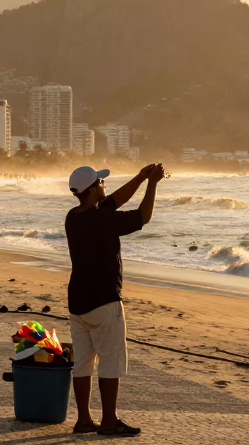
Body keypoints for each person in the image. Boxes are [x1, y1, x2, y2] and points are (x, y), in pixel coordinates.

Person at [64, 163, 165, 437]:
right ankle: (109, 420)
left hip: (78, 301)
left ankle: (84, 419)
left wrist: (142, 177)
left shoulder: (73, 217)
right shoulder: (103, 220)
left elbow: (113, 201)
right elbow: (143, 216)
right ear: (94, 188)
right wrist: (153, 184)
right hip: (105, 300)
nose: (104, 187)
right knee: (110, 361)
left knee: (83, 362)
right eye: (100, 183)